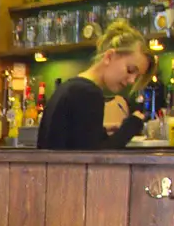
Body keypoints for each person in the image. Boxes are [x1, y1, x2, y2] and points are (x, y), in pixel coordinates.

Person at [36, 21, 150, 150]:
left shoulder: (70, 87)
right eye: (130, 70)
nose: (131, 80)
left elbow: (74, 143)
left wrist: (101, 132)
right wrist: (131, 126)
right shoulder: (88, 93)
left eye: (137, 77)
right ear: (109, 56)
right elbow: (95, 160)